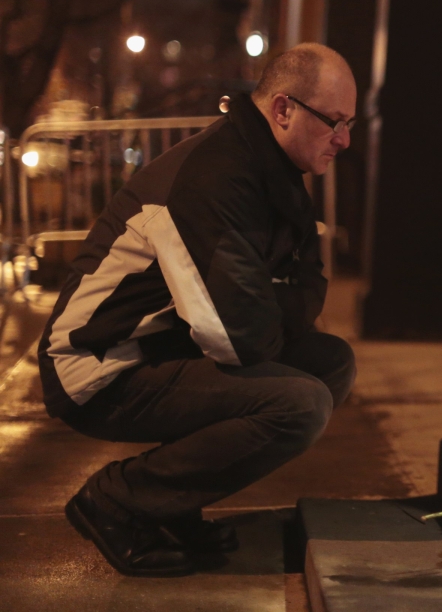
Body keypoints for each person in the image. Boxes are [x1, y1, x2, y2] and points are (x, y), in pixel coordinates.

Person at [37, 43, 358, 577]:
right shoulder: (214, 177)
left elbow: (307, 287)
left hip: (161, 347)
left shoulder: (273, 172)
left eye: (350, 124)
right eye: (335, 122)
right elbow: (239, 335)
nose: (343, 140)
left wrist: (264, 305)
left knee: (330, 363)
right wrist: (264, 305)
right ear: (284, 109)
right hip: (97, 365)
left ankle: (171, 506)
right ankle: (120, 500)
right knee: (300, 403)